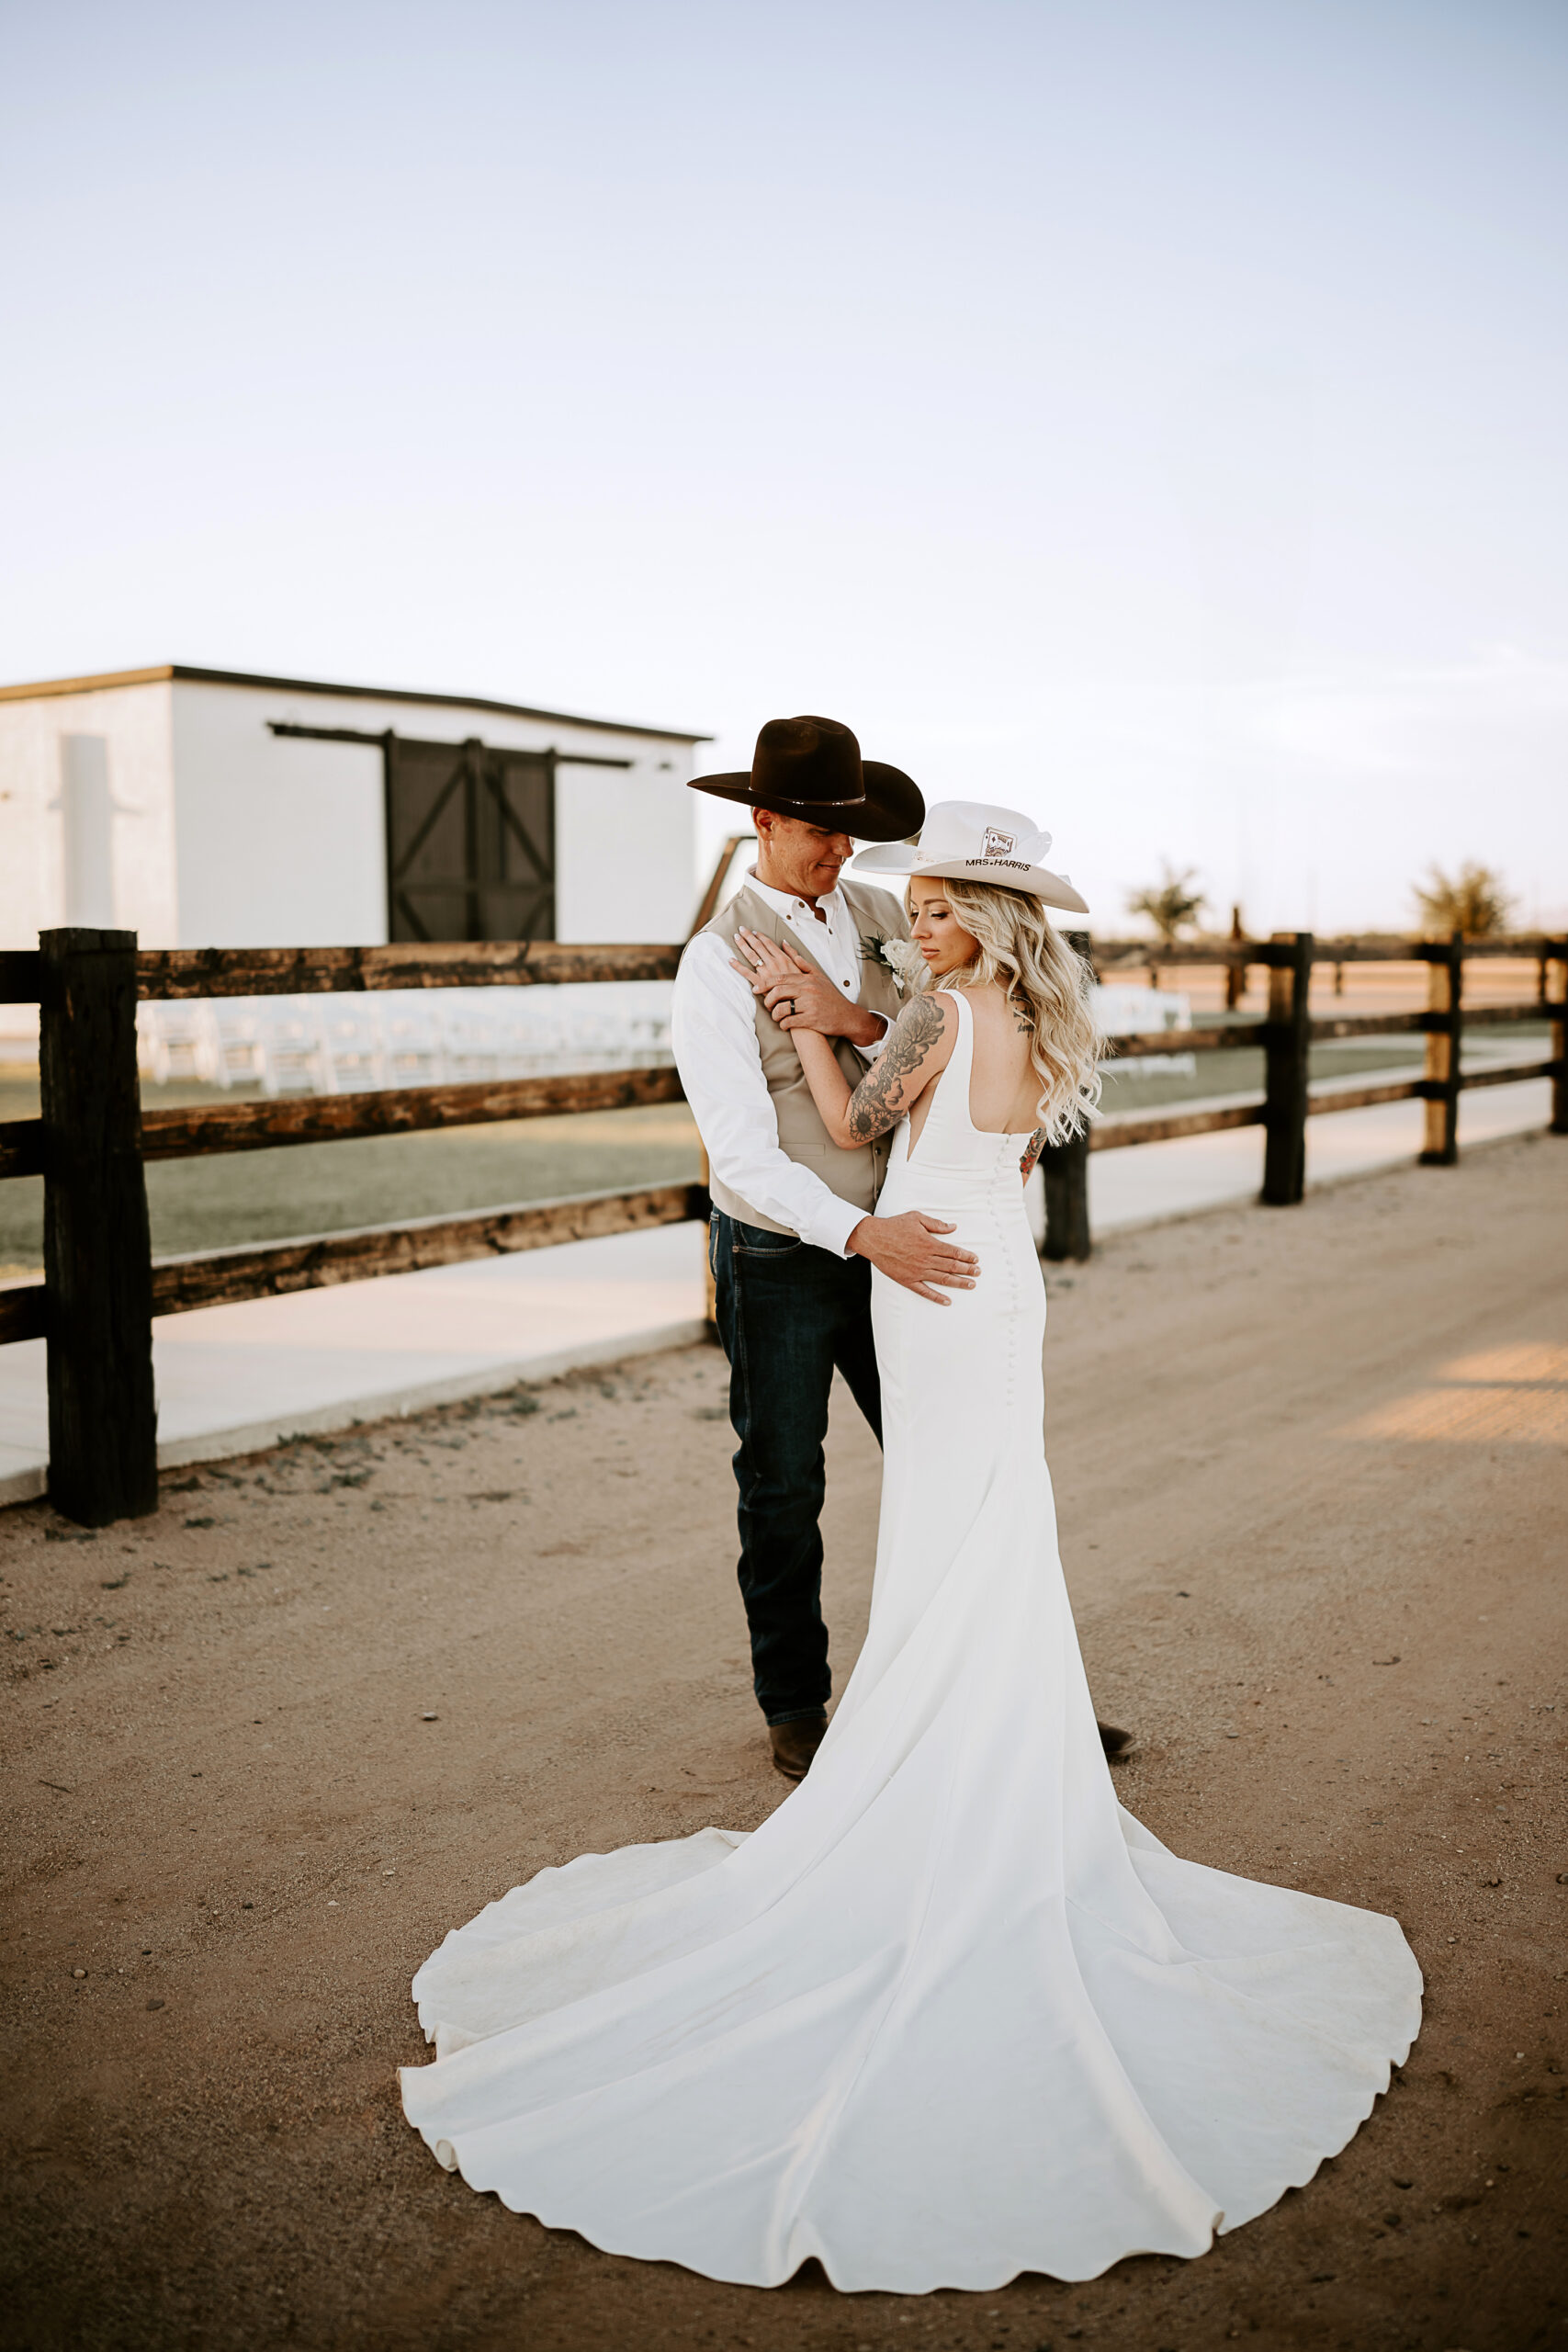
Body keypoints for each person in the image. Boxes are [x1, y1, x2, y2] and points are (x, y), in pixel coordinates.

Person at [400, 800, 1422, 2294]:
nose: (908, 915)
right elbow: (863, 1132)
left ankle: (951, 1737)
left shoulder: (929, 996)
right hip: (968, 1273)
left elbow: (861, 1118)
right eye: (909, 896)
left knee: (956, 1513)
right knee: (960, 1505)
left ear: (982, 919)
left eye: (936, 904)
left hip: (919, 1273)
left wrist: (818, 1023)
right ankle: (935, 1719)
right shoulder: (1017, 1006)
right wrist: (842, 1026)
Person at [671, 713, 1129, 1776]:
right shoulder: (713, 963)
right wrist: (859, 1230)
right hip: (786, 1254)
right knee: (783, 1484)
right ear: (763, 822)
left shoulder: (902, 917)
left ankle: (1022, 1696)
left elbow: (944, 1048)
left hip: (912, 1247)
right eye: (817, 830)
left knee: (960, 1464)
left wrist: (848, 1017)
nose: (841, 850)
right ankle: (797, 1705)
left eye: (849, 829)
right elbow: (738, 1151)